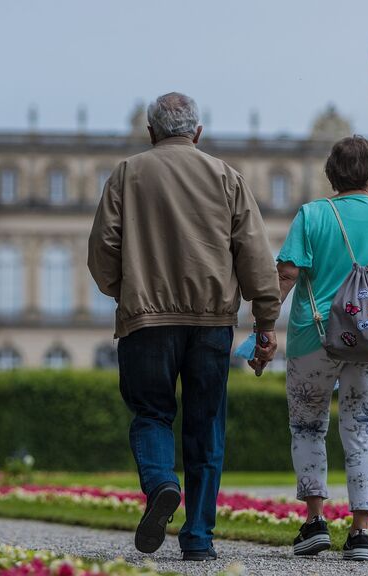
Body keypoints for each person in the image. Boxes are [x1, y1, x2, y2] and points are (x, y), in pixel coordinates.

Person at [89, 92, 281, 561]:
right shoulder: (225, 176)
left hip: (146, 321)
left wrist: (127, 291)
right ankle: (198, 537)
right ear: (197, 133)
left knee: (151, 413)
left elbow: (101, 252)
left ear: (151, 132)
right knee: (205, 425)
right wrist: (266, 322)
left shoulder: (127, 174)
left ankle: (160, 484)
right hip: (211, 322)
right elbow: (255, 256)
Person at [253, 135, 368, 561]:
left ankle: (314, 523)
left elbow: (285, 276)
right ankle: (360, 534)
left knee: (308, 428)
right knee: (362, 433)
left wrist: (264, 327)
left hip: (314, 338)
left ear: (331, 173)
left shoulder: (312, 215)